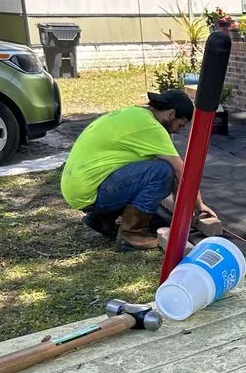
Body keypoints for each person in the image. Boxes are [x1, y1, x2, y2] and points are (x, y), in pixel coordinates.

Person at [61, 88, 218, 251]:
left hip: (77, 187)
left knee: (147, 168)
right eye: (180, 125)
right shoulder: (151, 128)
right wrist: (199, 205)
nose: (178, 130)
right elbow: (181, 171)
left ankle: (102, 219)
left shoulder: (135, 114)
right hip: (91, 191)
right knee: (162, 172)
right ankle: (131, 234)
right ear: (171, 114)